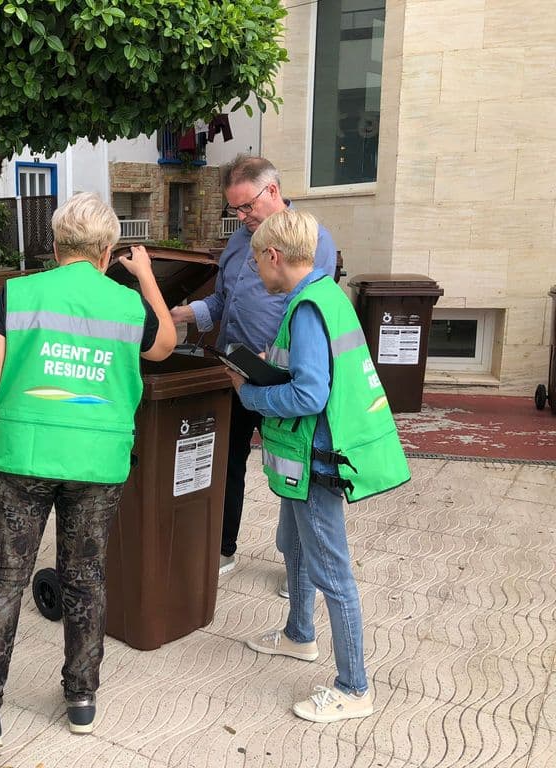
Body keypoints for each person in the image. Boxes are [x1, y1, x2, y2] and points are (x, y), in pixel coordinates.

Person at [0, 192, 176, 751]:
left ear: (55, 248)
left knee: (4, 578)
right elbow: (165, 346)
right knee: (87, 577)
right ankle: (81, 700)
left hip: (23, 459)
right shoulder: (126, 305)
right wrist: (146, 277)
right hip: (97, 465)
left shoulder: (20, 294)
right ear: (106, 250)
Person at [225, 208, 409, 722]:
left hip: (314, 460)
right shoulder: (327, 293)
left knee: (333, 572)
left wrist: (253, 393)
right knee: (294, 546)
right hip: (303, 460)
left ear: (274, 256)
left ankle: (354, 688)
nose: (254, 269)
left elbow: (309, 392)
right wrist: (271, 364)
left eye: (257, 259)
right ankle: (298, 634)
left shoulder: (306, 307)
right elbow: (312, 369)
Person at [170, 155, 337, 593]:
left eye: (247, 207)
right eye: (235, 210)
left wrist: (279, 354)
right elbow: (223, 302)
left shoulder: (312, 238)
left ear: (274, 191)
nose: (242, 218)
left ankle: (297, 566)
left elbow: (312, 309)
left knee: (292, 470)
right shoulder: (240, 241)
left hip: (283, 378)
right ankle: (224, 547)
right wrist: (184, 313)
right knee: (227, 461)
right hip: (235, 370)